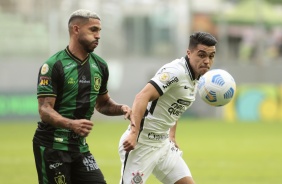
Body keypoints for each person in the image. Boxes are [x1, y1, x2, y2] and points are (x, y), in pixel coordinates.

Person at [33, 9, 131, 184]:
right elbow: (44, 110)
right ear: (76, 29)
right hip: (52, 146)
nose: (98, 35)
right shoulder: (54, 65)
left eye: (100, 31)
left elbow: (103, 104)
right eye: (93, 30)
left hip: (79, 146)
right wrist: (71, 124)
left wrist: (121, 108)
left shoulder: (100, 66)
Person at [119, 31, 217, 184]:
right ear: (189, 53)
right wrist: (133, 132)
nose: (207, 61)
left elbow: (174, 105)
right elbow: (141, 97)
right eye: (202, 55)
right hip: (142, 145)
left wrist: (172, 135)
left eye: (211, 56)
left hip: (163, 145)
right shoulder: (175, 72)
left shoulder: (197, 77)